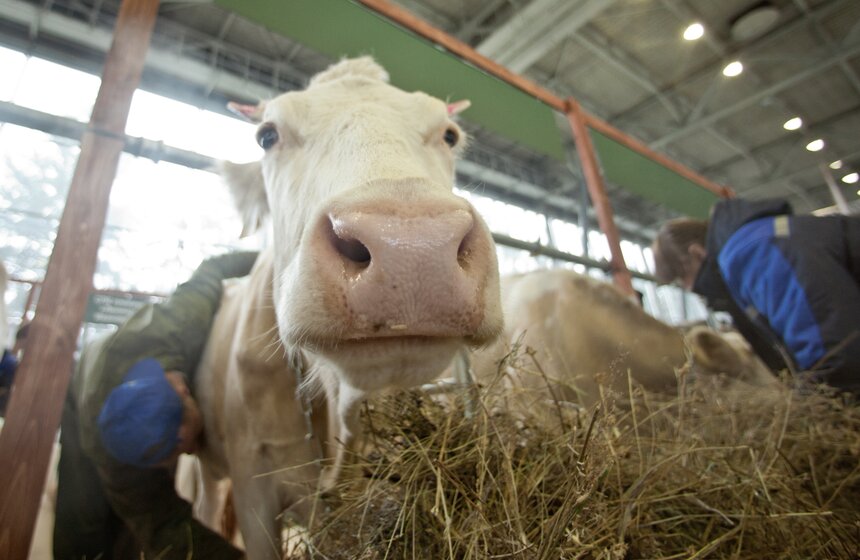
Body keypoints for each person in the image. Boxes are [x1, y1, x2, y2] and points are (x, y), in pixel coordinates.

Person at [53, 251, 258, 560]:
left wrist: (280, 254)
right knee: (85, 515)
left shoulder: (177, 326)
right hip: (78, 394)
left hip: (116, 356)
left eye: (185, 446)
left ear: (182, 388)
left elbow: (214, 268)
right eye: (182, 452)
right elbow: (164, 527)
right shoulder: (109, 452)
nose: (192, 452)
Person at [652, 197, 860, 397]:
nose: (689, 289)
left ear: (697, 253)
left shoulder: (751, 252)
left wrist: (821, 408)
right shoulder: (756, 244)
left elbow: (834, 349)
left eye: (682, 280)